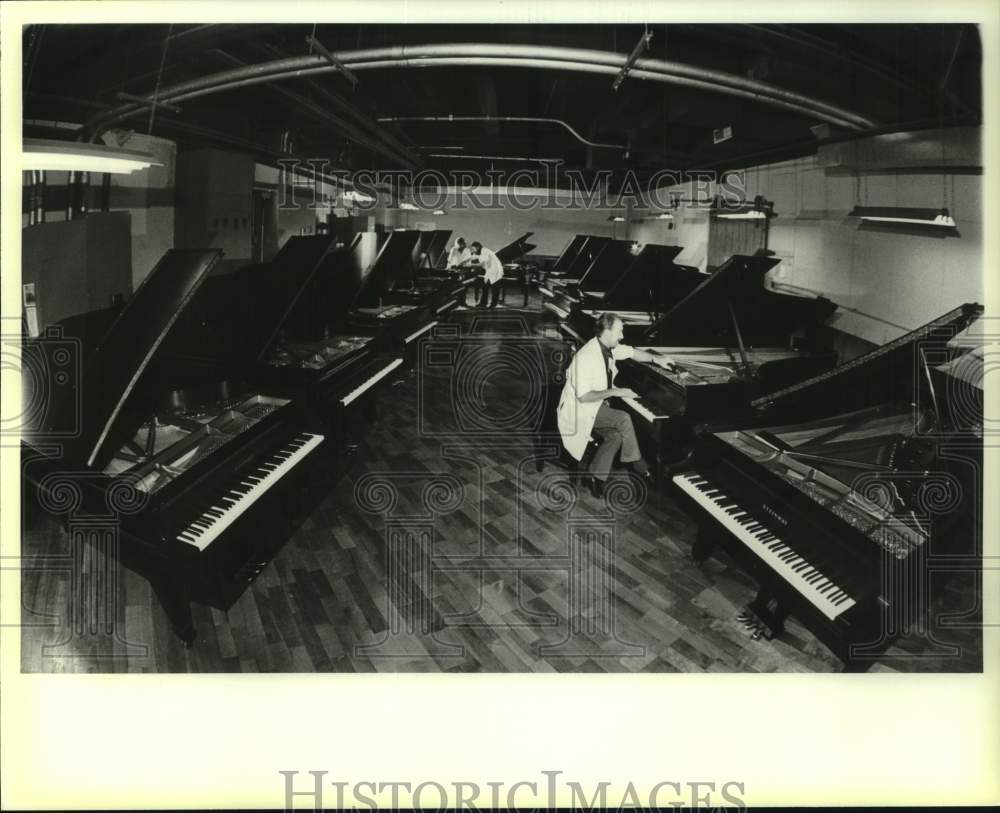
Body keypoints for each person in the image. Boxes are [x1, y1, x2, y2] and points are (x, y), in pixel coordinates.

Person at [556, 312, 676, 497]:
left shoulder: (606, 346)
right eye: (619, 332)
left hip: (595, 407)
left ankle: (595, 476)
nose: (622, 336)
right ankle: (640, 467)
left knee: (617, 436)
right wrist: (615, 391)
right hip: (578, 410)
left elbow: (632, 352)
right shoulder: (587, 357)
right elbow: (584, 397)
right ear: (606, 332)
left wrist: (656, 359)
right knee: (623, 419)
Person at [470, 241, 504, 309]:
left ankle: (493, 304)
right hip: (490, 270)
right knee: (485, 286)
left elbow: (483, 264)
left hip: (496, 271)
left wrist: (471, 265)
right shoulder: (480, 252)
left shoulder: (485, 251)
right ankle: (483, 303)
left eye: (473, 249)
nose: (473, 250)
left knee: (495, 289)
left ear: (478, 247)